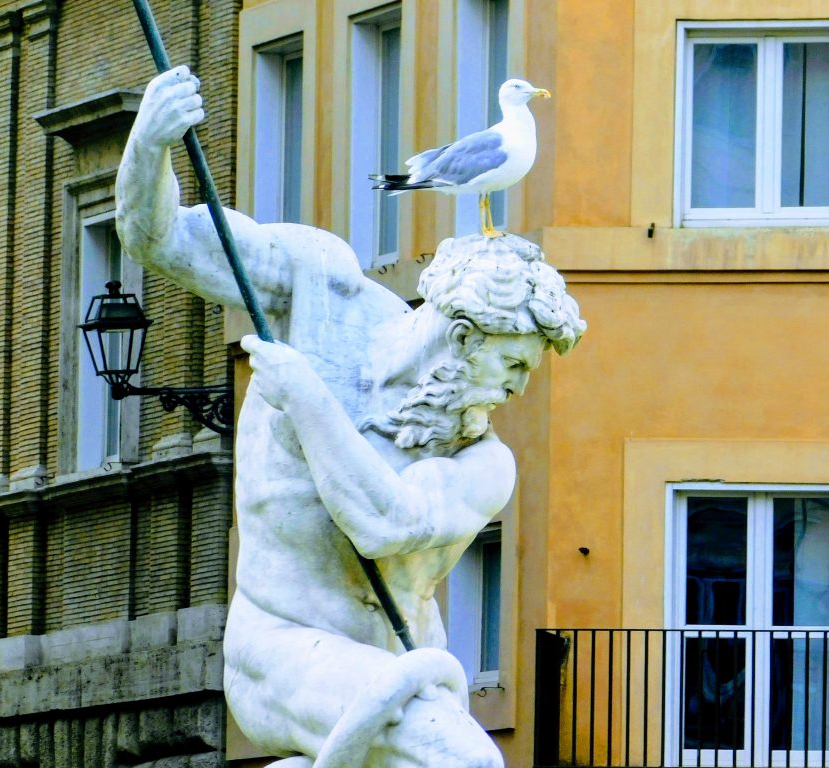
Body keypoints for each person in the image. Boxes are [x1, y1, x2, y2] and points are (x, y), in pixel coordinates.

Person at [115, 66, 585, 768]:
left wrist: (307, 399)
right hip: (280, 645)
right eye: (514, 364)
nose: (517, 389)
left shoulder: (483, 461)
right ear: (462, 339)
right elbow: (165, 242)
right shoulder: (323, 288)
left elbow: (386, 524)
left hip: (396, 666)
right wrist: (149, 147)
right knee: (465, 762)